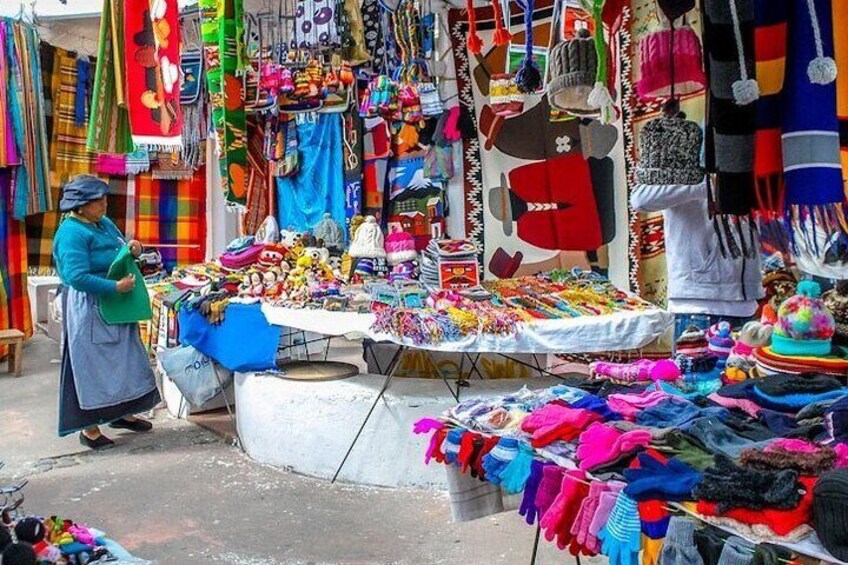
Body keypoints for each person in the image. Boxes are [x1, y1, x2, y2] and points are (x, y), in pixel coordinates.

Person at [52, 175, 160, 449]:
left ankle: (123, 415)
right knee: (91, 367)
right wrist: (114, 286)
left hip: (116, 305)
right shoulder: (71, 233)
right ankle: (89, 431)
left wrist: (133, 249)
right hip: (89, 309)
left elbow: (118, 251)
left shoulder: (103, 223)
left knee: (125, 360)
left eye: (104, 197)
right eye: (97, 200)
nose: (104, 203)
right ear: (80, 205)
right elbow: (77, 277)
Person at [631, 181, 764, 339]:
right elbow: (641, 198)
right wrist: (708, 184)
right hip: (697, 306)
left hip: (748, 302)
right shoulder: (678, 156)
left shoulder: (748, 156)